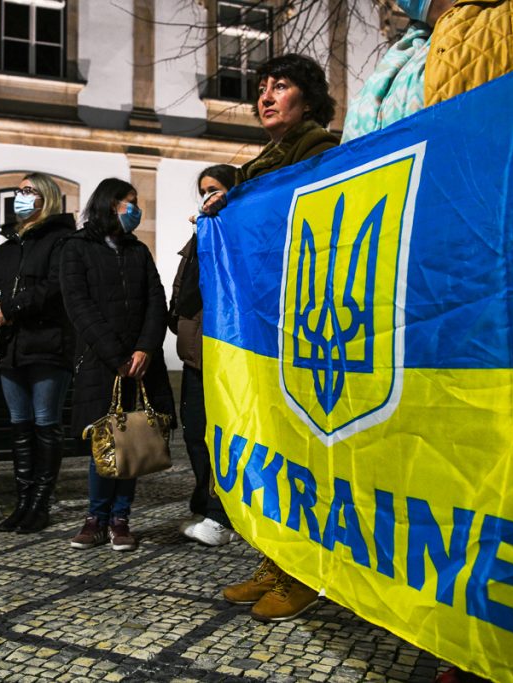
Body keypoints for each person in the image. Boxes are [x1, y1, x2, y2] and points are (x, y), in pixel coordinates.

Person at [202, 54, 338, 623]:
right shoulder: (259, 167)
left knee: (305, 453)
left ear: (307, 101)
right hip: (263, 325)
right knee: (273, 449)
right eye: (261, 88)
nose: (265, 96)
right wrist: (223, 211)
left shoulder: (320, 153)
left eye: (280, 87)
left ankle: (306, 573)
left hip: (302, 324)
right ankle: (275, 559)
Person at [60, 178, 174, 552]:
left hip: (141, 365)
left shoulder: (138, 251)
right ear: (111, 204)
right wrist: (117, 356)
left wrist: (144, 349)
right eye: (130, 202)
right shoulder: (76, 248)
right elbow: (79, 306)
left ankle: (121, 518)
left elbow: (156, 302)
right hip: (101, 363)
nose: (135, 209)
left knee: (134, 440)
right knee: (104, 441)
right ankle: (96, 518)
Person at [0, 173, 75, 534]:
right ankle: (22, 501)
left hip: (48, 345)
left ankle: (40, 503)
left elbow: (55, 288)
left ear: (46, 198)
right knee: (20, 426)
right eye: (18, 191)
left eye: (28, 191)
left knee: (45, 423)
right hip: (10, 348)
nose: (21, 196)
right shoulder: (5, 248)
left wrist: (11, 308)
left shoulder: (62, 240)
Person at [170, 164, 239, 547]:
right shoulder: (202, 232)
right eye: (203, 190)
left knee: (218, 436)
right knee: (195, 431)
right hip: (193, 350)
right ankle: (206, 501)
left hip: (219, 351)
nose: (206, 196)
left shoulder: (229, 231)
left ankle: (220, 514)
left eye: (214, 189)